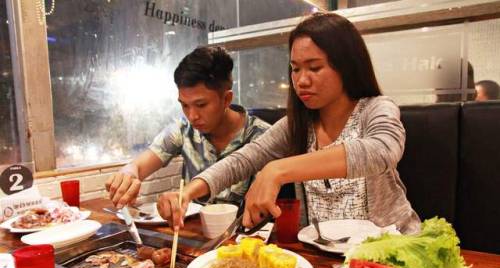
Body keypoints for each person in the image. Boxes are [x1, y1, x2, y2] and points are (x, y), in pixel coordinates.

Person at [156, 12, 420, 234]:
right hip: (325, 258)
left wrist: (278, 170)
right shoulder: (298, 124)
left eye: (314, 68)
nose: (301, 80)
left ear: (347, 66)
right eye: (295, 69)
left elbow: (381, 150)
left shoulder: (375, 109)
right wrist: (188, 193)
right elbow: (243, 160)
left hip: (392, 251)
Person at [106, 46, 270, 208]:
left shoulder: (262, 136)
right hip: (192, 232)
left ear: (226, 99)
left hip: (245, 233)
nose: (192, 116)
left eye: (201, 104)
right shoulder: (183, 130)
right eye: (184, 105)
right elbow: (138, 166)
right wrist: (129, 174)